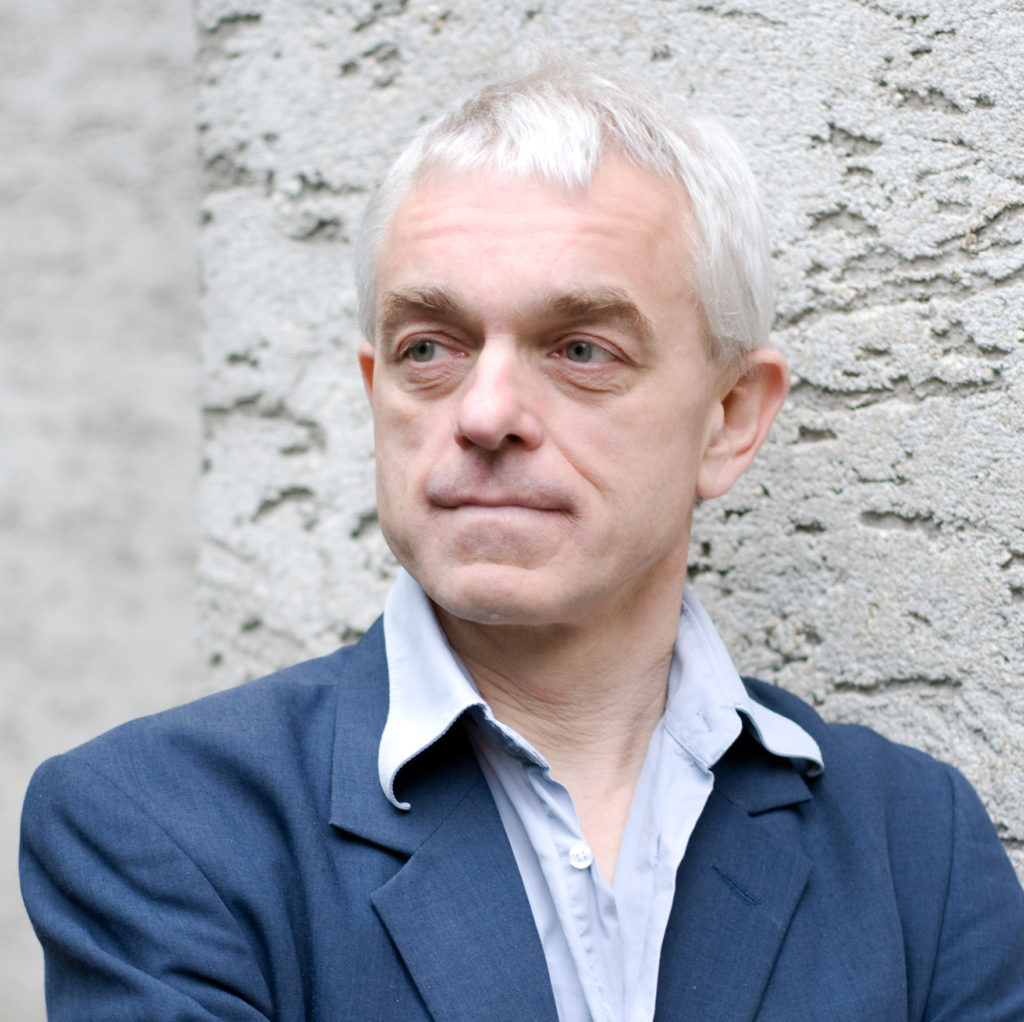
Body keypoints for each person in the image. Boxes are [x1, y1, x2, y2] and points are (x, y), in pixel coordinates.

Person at [20, 60, 1024, 1022]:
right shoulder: (160, 822)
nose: (484, 412)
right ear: (376, 393)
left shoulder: (916, 849)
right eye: (429, 348)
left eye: (581, 348)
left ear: (728, 418)